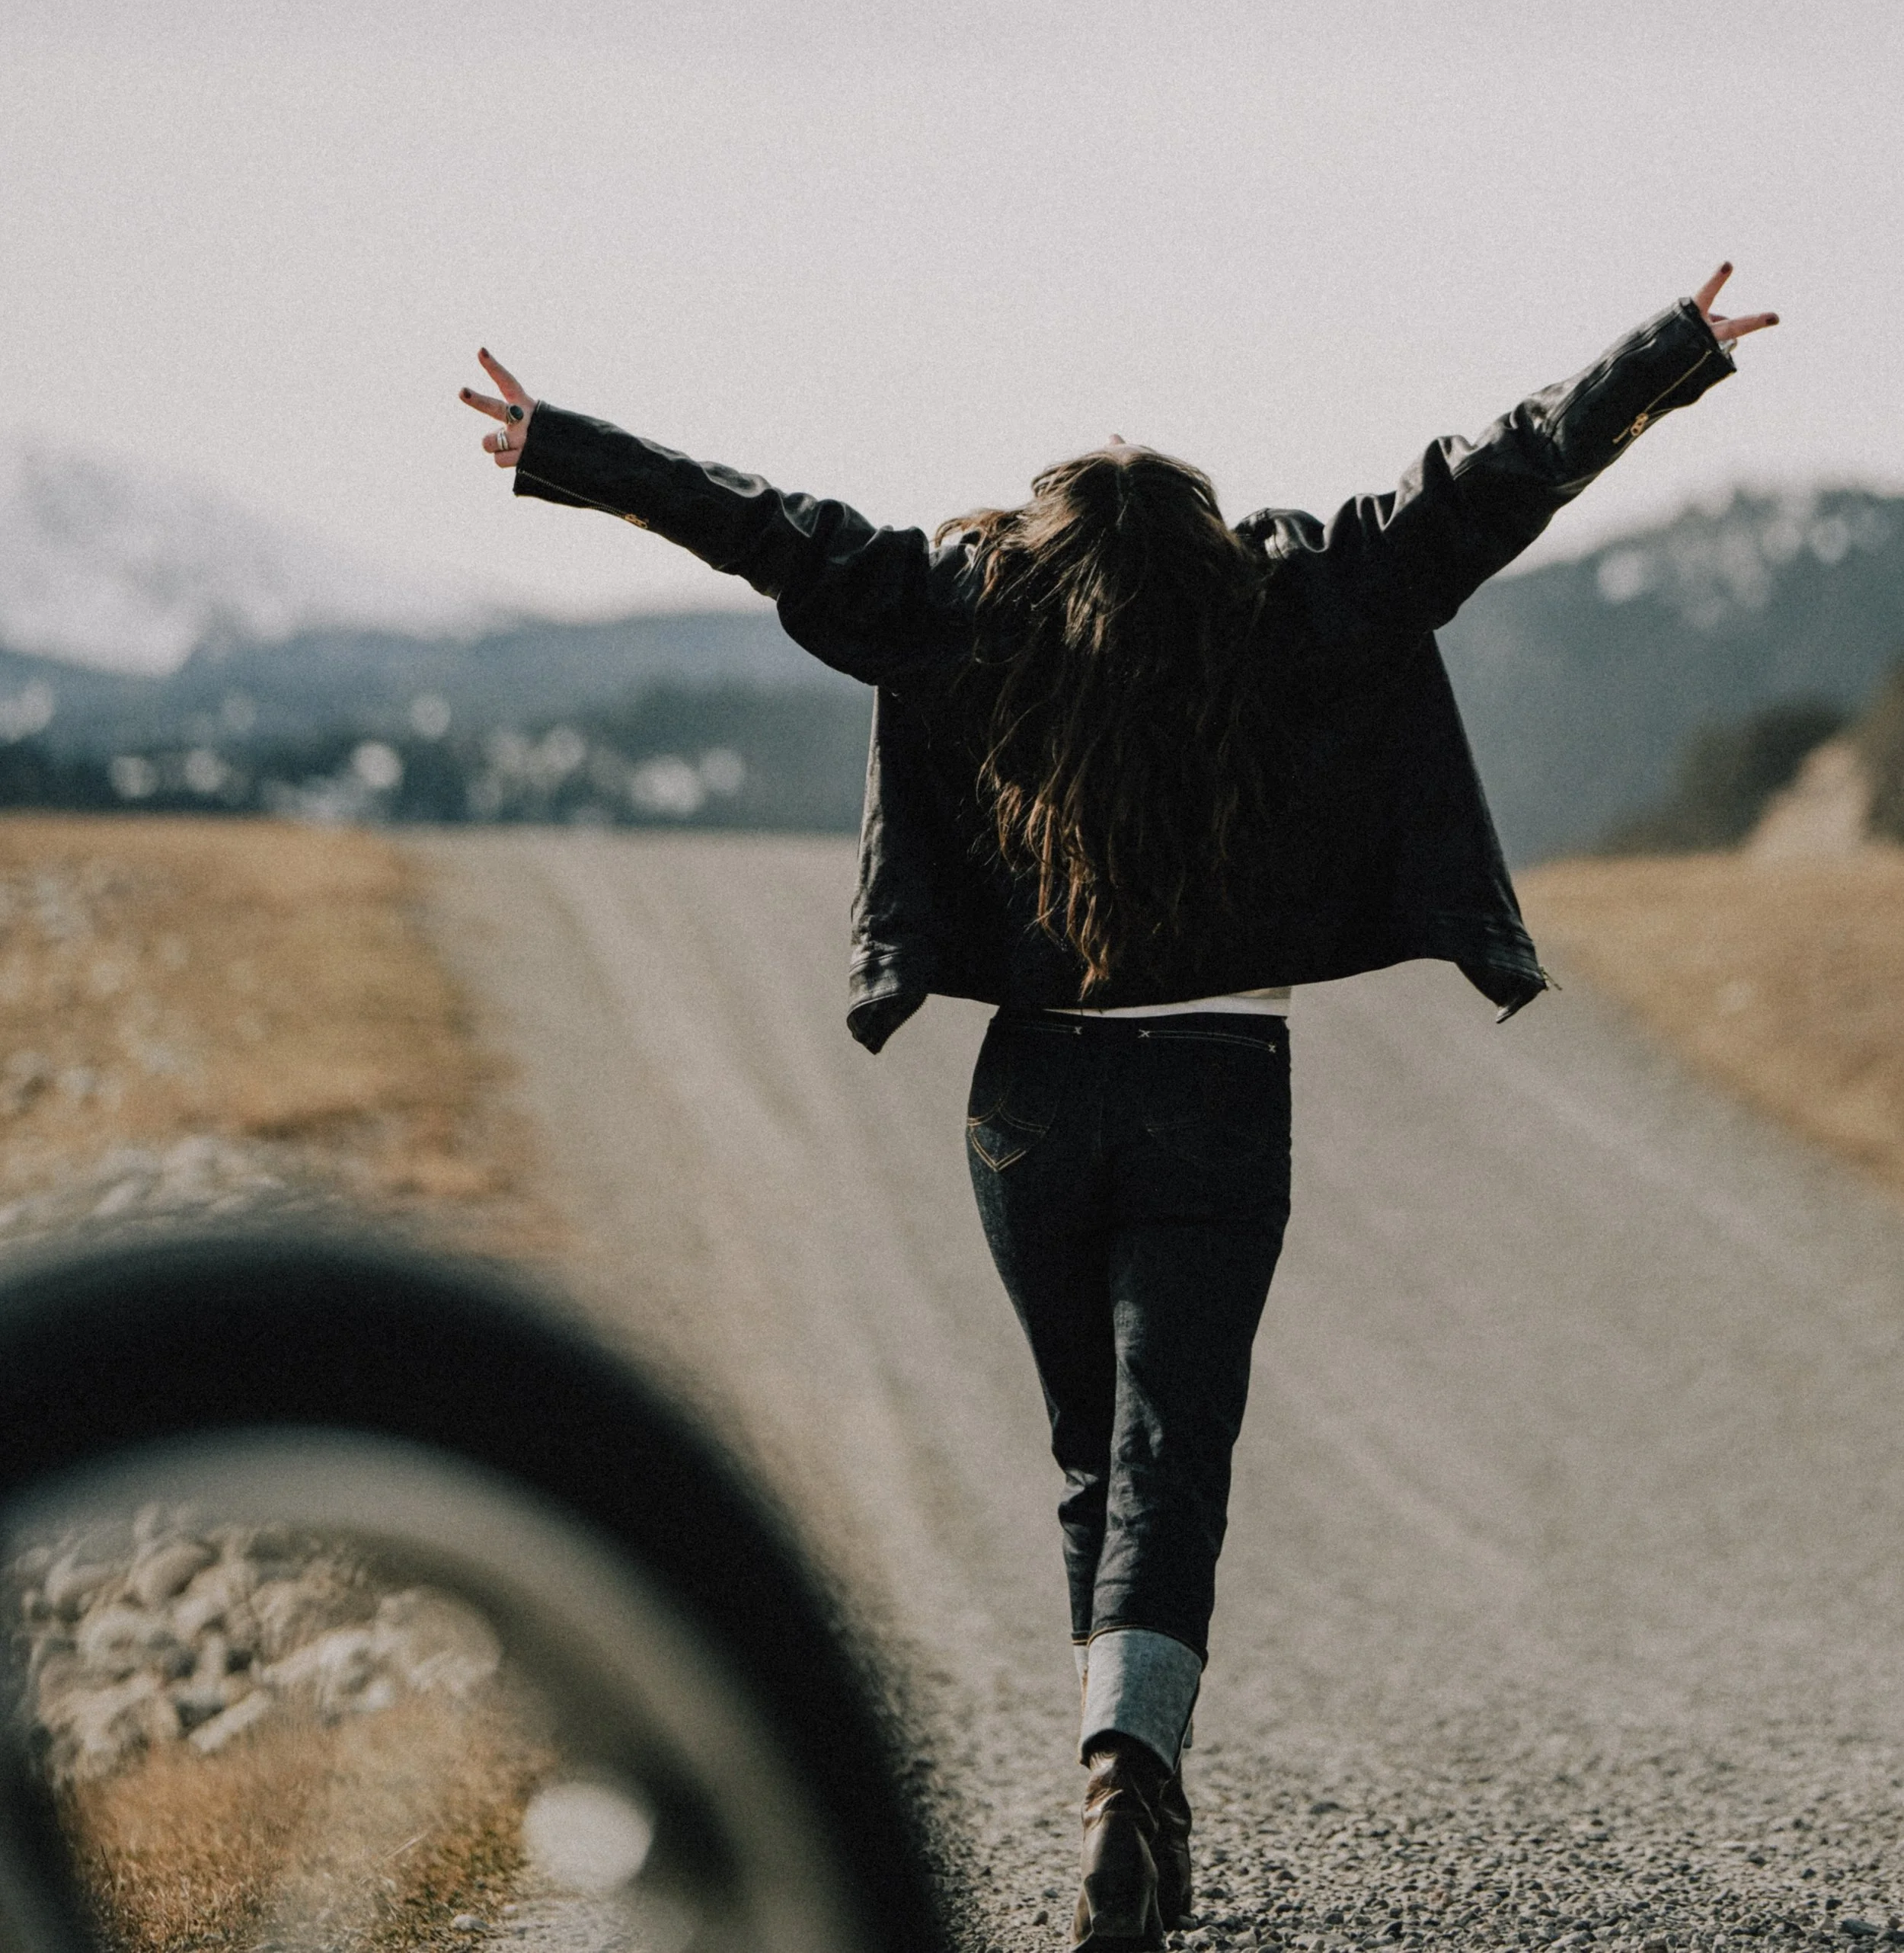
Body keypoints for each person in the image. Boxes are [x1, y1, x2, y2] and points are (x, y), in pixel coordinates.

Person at [460, 265, 1776, 1949]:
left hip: (1029, 1099)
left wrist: (567, 447)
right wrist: (1658, 356)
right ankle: (1123, 1774)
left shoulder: (963, 603)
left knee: (1092, 1451)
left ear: (1047, 532)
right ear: (1198, 535)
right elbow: (1489, 484)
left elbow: (765, 529)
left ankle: (1113, 1773)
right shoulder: (1287, 600)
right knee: (1171, 1450)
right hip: (1218, 1083)